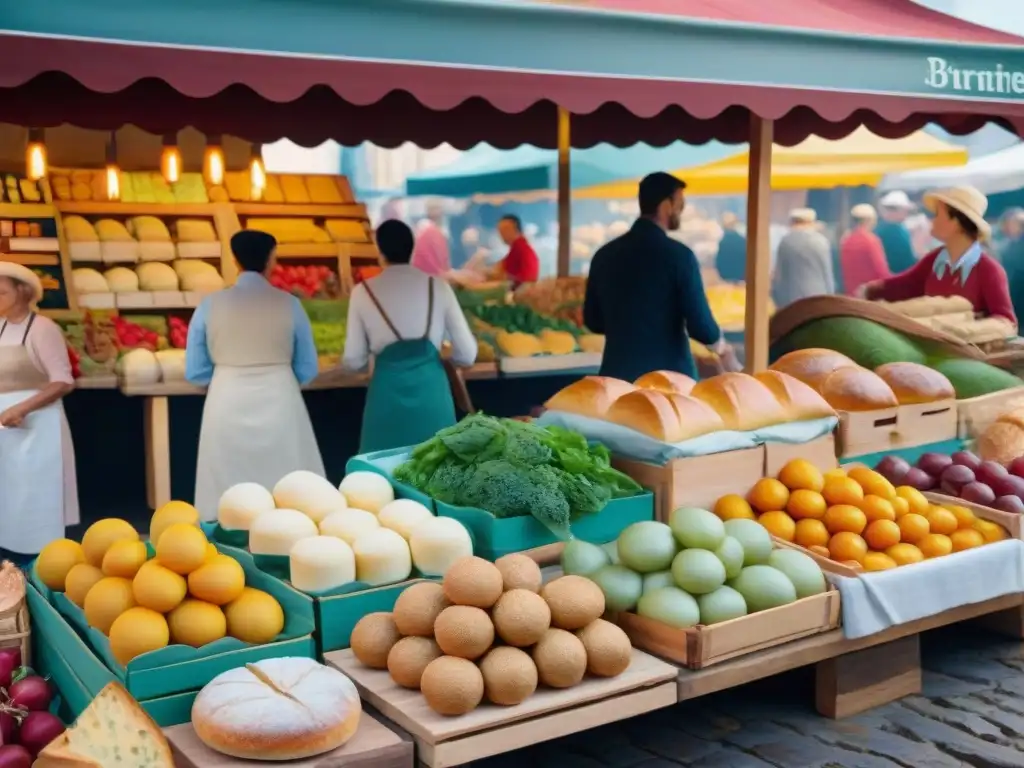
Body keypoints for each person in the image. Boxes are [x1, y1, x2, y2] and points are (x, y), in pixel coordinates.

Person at [185, 231, 324, 521]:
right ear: (271, 260)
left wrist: (227, 375)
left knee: (226, 488)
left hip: (227, 396)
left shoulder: (210, 305)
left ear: (234, 260)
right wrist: (280, 378)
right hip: (281, 396)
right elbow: (308, 368)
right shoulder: (290, 305)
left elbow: (195, 371)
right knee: (289, 492)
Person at [343, 220, 477, 453]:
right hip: (433, 398)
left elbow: (353, 360)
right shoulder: (439, 287)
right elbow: (467, 355)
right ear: (412, 248)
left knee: (382, 480)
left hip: (386, 399)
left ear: (379, 251)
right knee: (436, 475)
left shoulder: (362, 293)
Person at [583, 172, 731, 382]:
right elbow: (701, 327)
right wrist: (722, 348)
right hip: (670, 380)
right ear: (666, 205)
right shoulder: (679, 256)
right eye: (680, 203)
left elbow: (593, 321)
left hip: (617, 378)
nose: (681, 209)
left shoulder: (604, 255)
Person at [0, 263, 78, 562]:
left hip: (38, 427)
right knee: (9, 496)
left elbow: (62, 381)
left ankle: (41, 566)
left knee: (34, 497)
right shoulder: (1, 326)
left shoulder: (43, 329)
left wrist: (22, 407)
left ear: (23, 292)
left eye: (2, 291)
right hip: (6, 428)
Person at [864, 186, 1016, 326]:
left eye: (937, 215)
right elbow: (906, 285)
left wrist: (971, 329)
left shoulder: (989, 270)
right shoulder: (934, 260)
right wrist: (871, 290)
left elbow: (1006, 321)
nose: (932, 220)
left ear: (956, 222)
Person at [771, 208, 835, 309]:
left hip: (791, 299)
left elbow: (779, 276)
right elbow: (827, 274)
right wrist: (831, 296)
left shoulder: (786, 242)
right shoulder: (821, 241)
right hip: (818, 296)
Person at [840, 204, 890, 297]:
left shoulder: (846, 240)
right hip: (870, 294)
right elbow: (881, 270)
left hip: (851, 294)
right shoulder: (871, 240)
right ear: (869, 220)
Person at [490, 215, 539, 288]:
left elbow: (529, 278)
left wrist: (503, 276)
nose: (501, 234)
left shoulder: (522, 249)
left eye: (505, 229)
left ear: (515, 229)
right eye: (500, 230)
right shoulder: (516, 249)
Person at [875, 190, 918, 274]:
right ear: (896, 210)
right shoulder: (898, 231)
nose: (906, 214)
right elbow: (907, 258)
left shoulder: (878, 229)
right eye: (905, 210)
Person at [411, 201, 451, 277]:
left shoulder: (442, 226)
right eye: (433, 208)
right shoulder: (426, 227)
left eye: (438, 208)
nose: (437, 211)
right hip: (430, 272)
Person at [715, 213, 747, 283]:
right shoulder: (742, 241)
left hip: (727, 278)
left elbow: (719, 262)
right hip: (742, 279)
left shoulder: (723, 243)